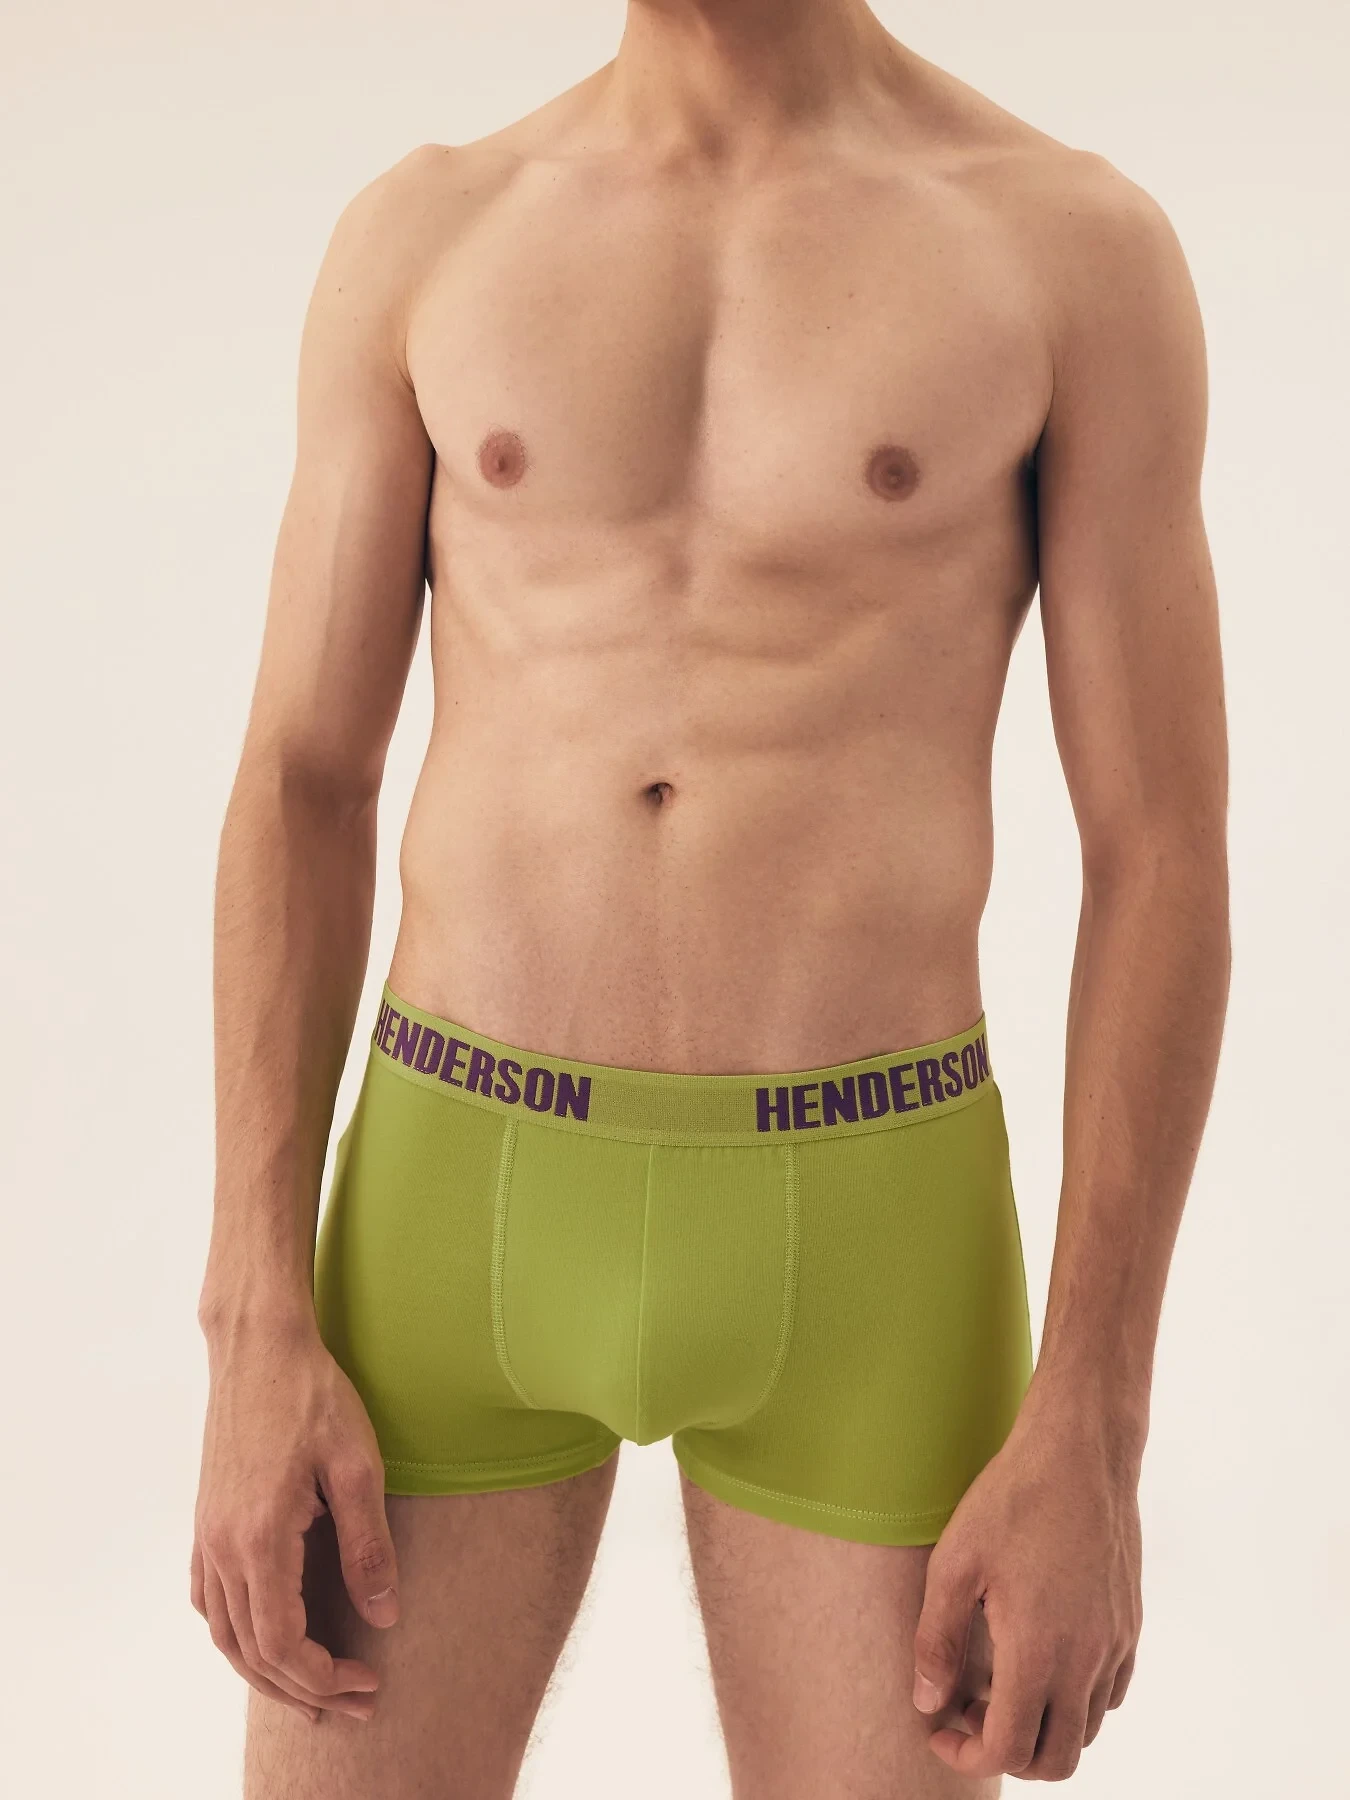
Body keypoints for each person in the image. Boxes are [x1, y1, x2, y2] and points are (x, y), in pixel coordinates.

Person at [191, 1, 1230, 1793]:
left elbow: (1161, 850)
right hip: (455, 1188)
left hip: (874, 1228)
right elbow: (300, 775)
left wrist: (1096, 1417)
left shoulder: (1068, 249)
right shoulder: (430, 232)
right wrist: (250, 1321)